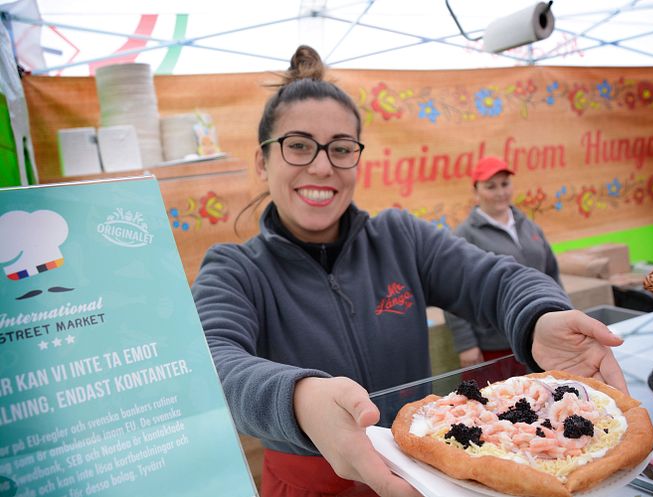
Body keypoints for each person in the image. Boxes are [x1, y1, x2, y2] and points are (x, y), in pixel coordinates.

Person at [191, 45, 628, 497]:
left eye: (341, 148)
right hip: (308, 485)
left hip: (422, 475)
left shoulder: (401, 238)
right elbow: (212, 364)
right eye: (298, 145)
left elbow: (498, 281)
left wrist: (540, 316)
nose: (321, 166)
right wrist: (298, 398)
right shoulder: (235, 270)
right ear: (263, 161)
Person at [444, 156, 564, 374]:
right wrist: (466, 344)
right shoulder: (465, 234)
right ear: (475, 191)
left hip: (538, 336)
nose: (500, 192)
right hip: (494, 345)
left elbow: (551, 275)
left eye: (505, 184)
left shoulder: (529, 225)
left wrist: (564, 315)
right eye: (490, 187)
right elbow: (452, 292)